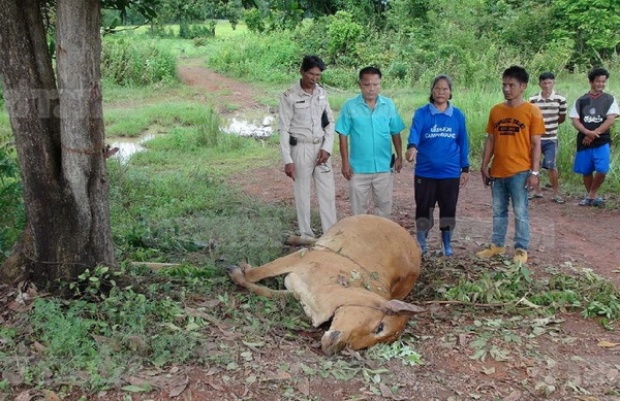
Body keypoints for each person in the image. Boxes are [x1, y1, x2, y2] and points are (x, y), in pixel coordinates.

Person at [476, 66, 545, 265]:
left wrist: (534, 172)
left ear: (522, 86)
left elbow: (536, 144)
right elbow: (491, 139)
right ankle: (497, 245)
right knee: (498, 210)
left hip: (520, 172)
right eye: (504, 85)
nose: (507, 89)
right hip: (498, 170)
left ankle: (521, 248)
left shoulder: (532, 111)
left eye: (511, 85)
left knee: (520, 211)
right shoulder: (496, 110)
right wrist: (484, 164)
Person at [406, 75, 470, 256]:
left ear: (450, 93)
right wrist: (411, 148)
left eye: (445, 89)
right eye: (437, 88)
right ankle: (421, 243)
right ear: (432, 91)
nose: (441, 92)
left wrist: (464, 168)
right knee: (424, 208)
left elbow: (463, 142)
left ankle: (446, 244)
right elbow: (415, 134)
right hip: (425, 172)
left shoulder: (457, 115)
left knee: (448, 209)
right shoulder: (422, 113)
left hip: (450, 173)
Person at [278, 55, 337, 239]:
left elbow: (329, 122)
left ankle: (331, 234)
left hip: (320, 148)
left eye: (318, 75)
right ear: (302, 71)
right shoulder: (289, 96)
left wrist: (327, 148)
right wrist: (287, 160)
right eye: (311, 74)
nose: (314, 78)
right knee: (302, 193)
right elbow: (283, 128)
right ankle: (306, 235)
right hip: (300, 149)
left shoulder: (321, 93)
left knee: (327, 192)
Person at [336, 66, 405, 217]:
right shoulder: (350, 106)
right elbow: (342, 134)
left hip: (384, 166)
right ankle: (360, 239)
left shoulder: (389, 105)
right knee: (358, 210)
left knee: (384, 207)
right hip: (358, 168)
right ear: (360, 84)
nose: (371, 89)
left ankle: (380, 239)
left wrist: (399, 156)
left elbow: (395, 131)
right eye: (367, 85)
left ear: (380, 84)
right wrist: (345, 163)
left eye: (375, 84)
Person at [569, 67, 619, 207]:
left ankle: (591, 195)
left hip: (602, 140)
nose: (601, 84)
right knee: (586, 170)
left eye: (603, 82)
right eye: (598, 81)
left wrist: (593, 134)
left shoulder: (609, 99)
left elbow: (610, 119)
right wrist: (586, 132)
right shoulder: (581, 100)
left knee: (602, 169)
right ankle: (591, 198)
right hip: (584, 140)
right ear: (591, 82)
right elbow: (575, 120)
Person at [528, 72, 568, 203]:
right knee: (535, 165)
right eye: (544, 83)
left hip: (551, 138)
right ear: (539, 84)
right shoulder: (533, 100)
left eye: (549, 82)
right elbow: (530, 118)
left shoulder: (560, 100)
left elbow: (561, 118)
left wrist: (549, 126)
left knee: (551, 165)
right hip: (536, 138)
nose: (547, 86)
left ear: (553, 83)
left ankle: (556, 193)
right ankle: (536, 191)